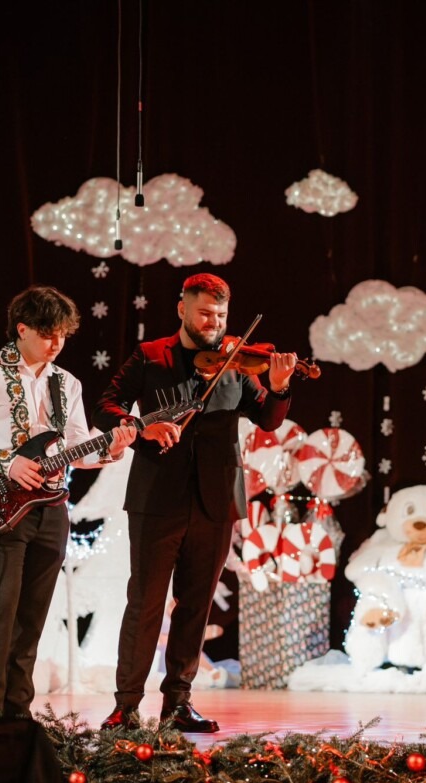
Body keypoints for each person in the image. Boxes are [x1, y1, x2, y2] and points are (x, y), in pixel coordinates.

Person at [94, 272, 296, 733]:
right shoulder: (151, 355)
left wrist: (280, 386)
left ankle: (178, 704)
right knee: (144, 603)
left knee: (195, 606)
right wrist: (139, 427)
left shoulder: (238, 364)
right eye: (205, 313)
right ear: (181, 308)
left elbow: (268, 420)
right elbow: (105, 405)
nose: (214, 323)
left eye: (221, 315)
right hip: (156, 499)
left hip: (216, 501)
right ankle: (126, 706)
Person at [0, 285, 136, 718]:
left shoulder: (67, 383)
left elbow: (78, 448)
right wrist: (7, 463)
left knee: (32, 617)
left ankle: (18, 713)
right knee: (1, 609)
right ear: (22, 329)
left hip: (51, 509)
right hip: (1, 505)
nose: (56, 343)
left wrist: (112, 448)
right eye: (48, 334)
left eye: (63, 334)